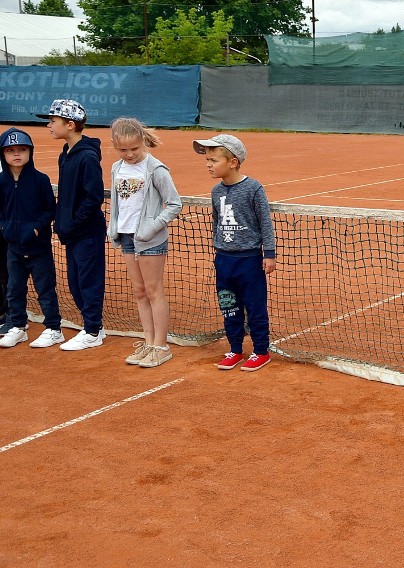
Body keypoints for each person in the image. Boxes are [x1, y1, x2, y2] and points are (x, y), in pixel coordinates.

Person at [192, 134, 276, 372]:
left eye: (213, 160)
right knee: (229, 306)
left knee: (255, 307)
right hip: (224, 260)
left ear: (233, 162)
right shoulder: (216, 191)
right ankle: (235, 349)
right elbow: (216, 221)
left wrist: (269, 254)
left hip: (249, 260)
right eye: (207, 160)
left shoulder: (253, 188)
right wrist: (218, 248)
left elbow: (265, 224)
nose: (208, 164)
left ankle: (261, 351)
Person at [107, 118, 183, 367]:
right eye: (123, 150)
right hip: (127, 237)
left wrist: (152, 227)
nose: (129, 154)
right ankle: (148, 341)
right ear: (115, 147)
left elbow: (174, 204)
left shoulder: (156, 169)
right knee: (139, 291)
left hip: (150, 239)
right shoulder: (116, 168)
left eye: (134, 149)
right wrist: (113, 226)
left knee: (153, 290)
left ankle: (161, 346)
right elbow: (118, 204)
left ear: (143, 143)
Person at [35, 99, 107, 351]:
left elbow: (93, 197)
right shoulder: (65, 154)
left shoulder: (86, 157)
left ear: (70, 124)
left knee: (89, 282)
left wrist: (73, 224)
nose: (49, 125)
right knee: (76, 283)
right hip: (72, 233)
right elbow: (66, 195)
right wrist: (61, 222)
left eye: (53, 121)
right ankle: (94, 325)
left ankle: (93, 330)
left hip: (86, 233)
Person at [0, 128, 64, 349]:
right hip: (14, 248)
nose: (16, 154)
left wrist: (36, 228)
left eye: (22, 149)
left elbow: (49, 209)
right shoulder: (1, 181)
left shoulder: (40, 180)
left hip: (39, 249)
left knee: (45, 289)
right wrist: (4, 227)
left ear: (30, 152)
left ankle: (54, 329)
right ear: (3, 155)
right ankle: (18, 326)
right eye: (10, 150)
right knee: (14, 288)